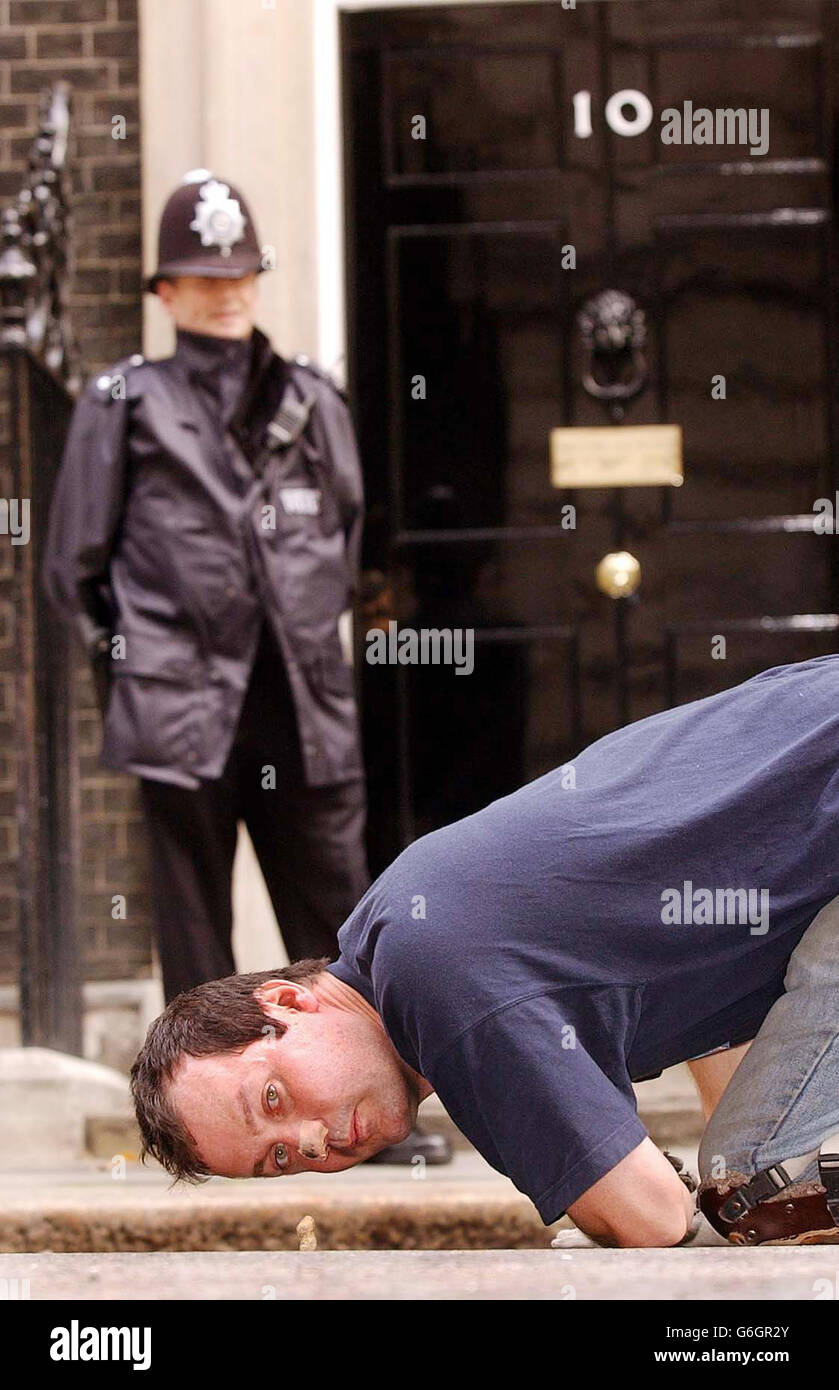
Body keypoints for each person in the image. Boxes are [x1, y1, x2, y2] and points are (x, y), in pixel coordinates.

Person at [129, 653, 839, 1244]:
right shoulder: (396, 926)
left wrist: (663, 1198)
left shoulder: (434, 986)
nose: (312, 1145)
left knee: (752, 1183)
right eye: (278, 1159)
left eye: (274, 1099)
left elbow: (653, 1220)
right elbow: (712, 1019)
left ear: (287, 1001)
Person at [44, 167, 450, 1166]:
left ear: (255, 280)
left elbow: (350, 534)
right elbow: (73, 569)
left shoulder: (312, 398)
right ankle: (201, 1122)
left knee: (340, 911)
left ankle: (375, 1106)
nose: (223, 289)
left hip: (301, 703)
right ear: (164, 292)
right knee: (191, 924)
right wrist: (140, 671)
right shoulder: (127, 403)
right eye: (198, 274)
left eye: (237, 272)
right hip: (181, 711)